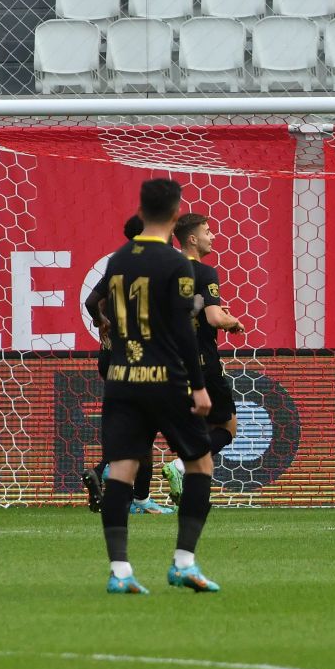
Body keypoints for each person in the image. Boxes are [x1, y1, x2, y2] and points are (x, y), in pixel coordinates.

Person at [97, 178, 219, 594]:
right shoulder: (174, 264)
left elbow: (104, 311)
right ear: (175, 213)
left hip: (121, 380)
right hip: (164, 380)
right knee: (201, 464)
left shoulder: (116, 260)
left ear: (142, 208)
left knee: (121, 474)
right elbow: (186, 332)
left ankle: (120, 572)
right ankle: (183, 563)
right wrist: (198, 386)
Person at [81, 214, 174, 515]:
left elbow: (92, 302)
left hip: (111, 356)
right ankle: (111, 473)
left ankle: (133, 494)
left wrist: (103, 323)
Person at [161, 213, 246, 504]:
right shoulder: (205, 273)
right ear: (193, 239)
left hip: (172, 361)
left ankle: (194, 494)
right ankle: (181, 466)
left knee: (202, 429)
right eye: (208, 232)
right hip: (203, 363)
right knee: (227, 428)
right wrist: (231, 320)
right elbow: (212, 317)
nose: (213, 237)